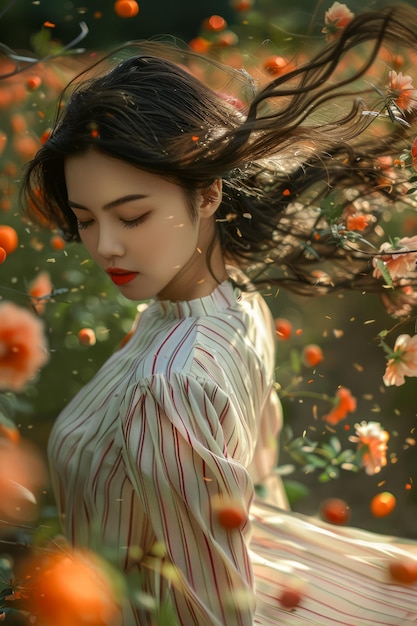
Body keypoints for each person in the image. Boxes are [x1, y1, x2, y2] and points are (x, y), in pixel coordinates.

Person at [21, 4, 417, 624]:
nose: (106, 247)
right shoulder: (234, 305)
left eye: (132, 216)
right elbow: (254, 491)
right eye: (87, 219)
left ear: (208, 192)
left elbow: (208, 608)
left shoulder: (172, 379)